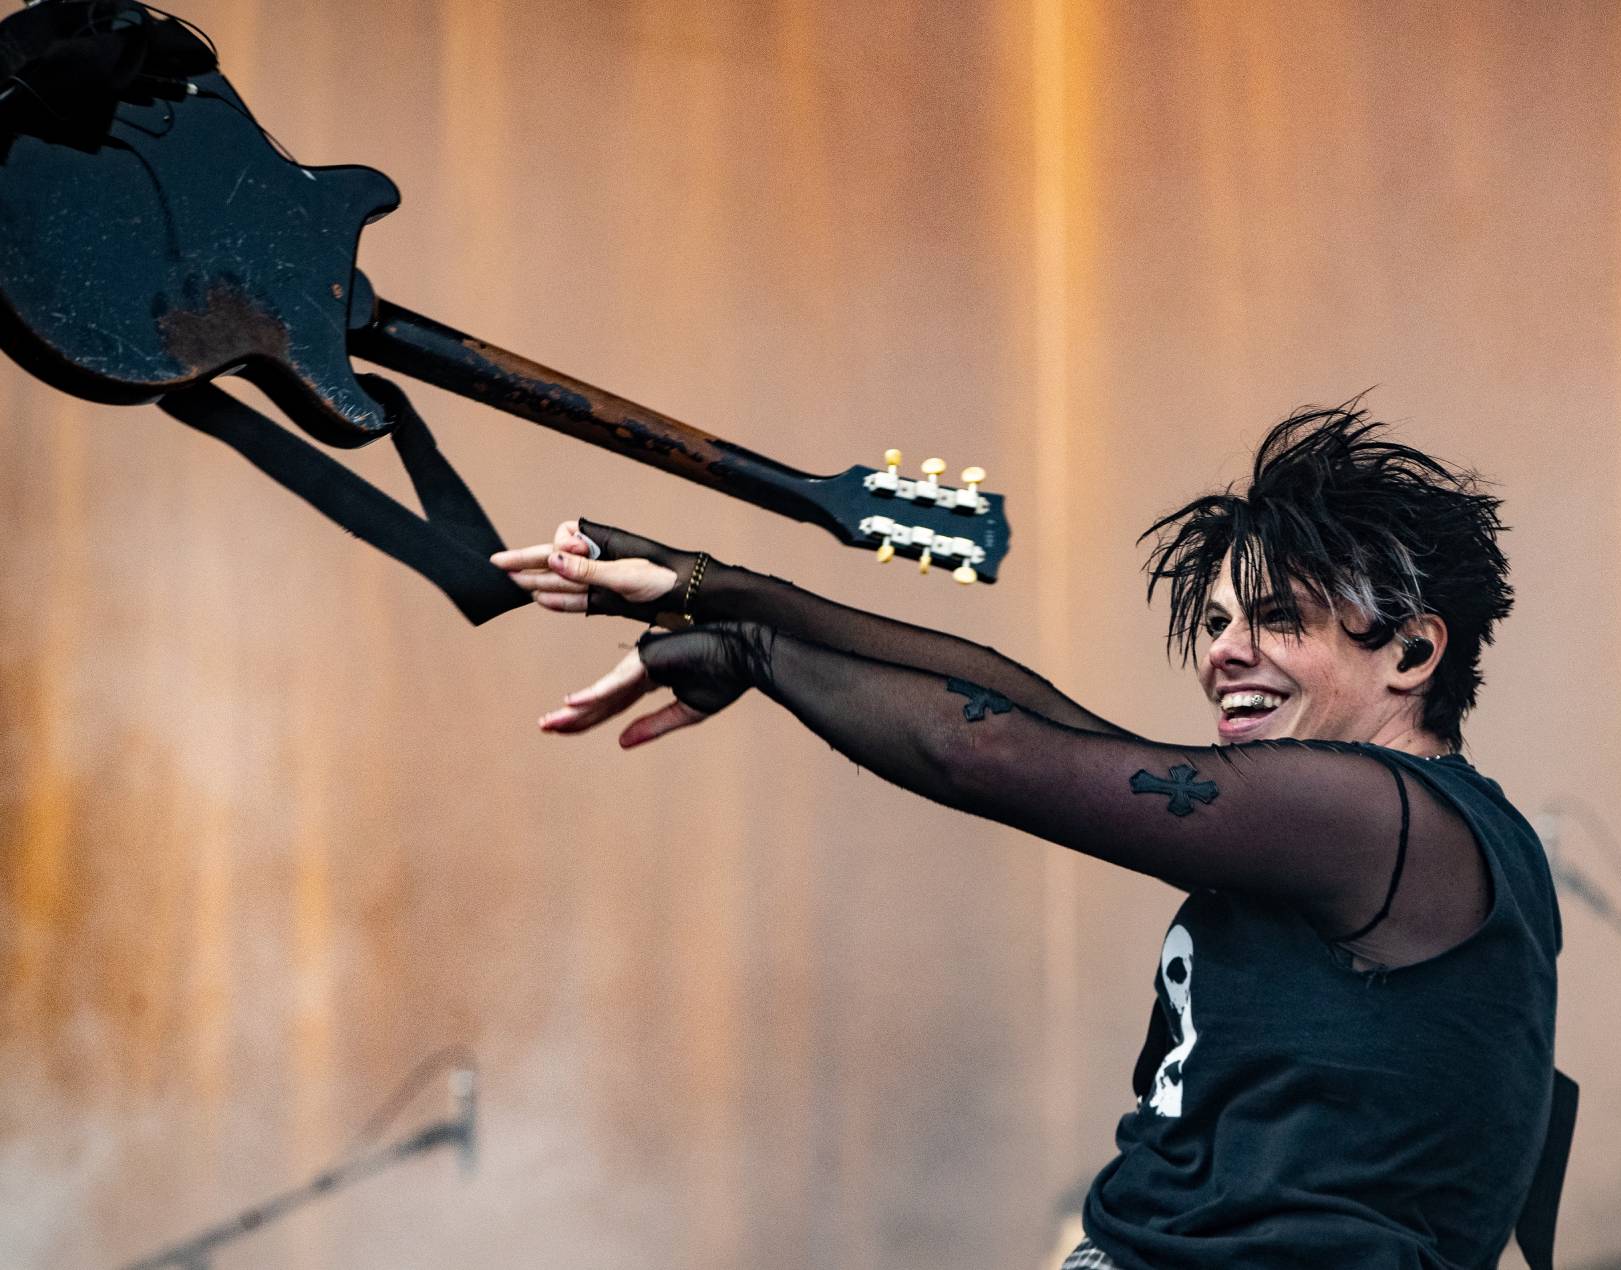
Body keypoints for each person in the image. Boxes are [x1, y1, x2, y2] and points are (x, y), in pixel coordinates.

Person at [492, 402, 1566, 1270]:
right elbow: (1029, 718)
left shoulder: (1380, 818)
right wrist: (703, 588)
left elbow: (991, 749)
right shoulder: (1324, 822)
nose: (1223, 654)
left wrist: (756, 650)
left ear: (1412, 653)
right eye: (1216, 623)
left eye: (1277, 618)